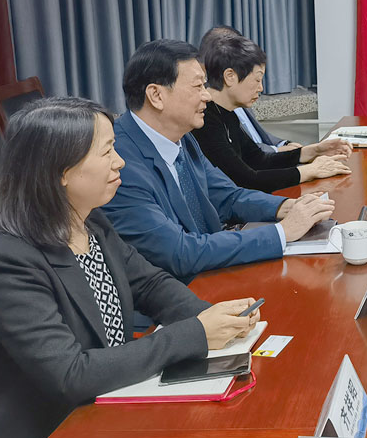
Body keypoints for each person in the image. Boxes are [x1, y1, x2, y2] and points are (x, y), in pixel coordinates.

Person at [0, 97, 261, 438]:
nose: (120, 162)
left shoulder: (90, 221)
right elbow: (71, 374)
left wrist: (212, 318)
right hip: (47, 432)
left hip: (108, 404)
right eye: (106, 152)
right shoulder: (7, 261)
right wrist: (195, 334)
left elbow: (149, 284)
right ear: (60, 172)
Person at [103, 39, 335, 281]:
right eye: (197, 87)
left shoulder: (181, 136)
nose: (206, 96)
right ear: (156, 95)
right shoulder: (118, 162)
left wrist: (286, 207)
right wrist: (282, 233)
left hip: (212, 269)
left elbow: (227, 196)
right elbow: (179, 252)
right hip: (176, 290)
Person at [194, 31, 351, 192]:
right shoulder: (205, 120)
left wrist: (314, 151)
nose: (261, 88)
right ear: (230, 76)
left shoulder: (227, 114)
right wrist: (309, 171)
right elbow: (246, 180)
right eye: (257, 79)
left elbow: (258, 159)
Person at [199, 25, 301, 154]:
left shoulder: (241, 95)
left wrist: (286, 145)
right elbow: (247, 159)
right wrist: (279, 151)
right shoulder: (209, 108)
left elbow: (259, 137)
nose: (260, 88)